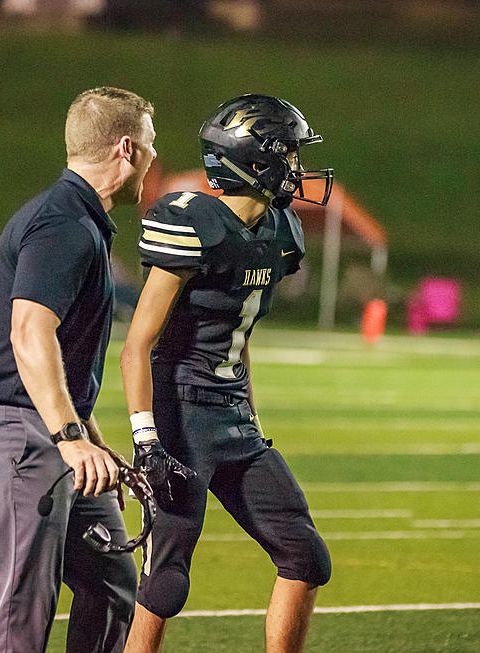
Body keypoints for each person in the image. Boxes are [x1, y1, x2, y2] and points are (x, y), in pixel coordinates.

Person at [0, 87, 157, 653]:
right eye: (152, 146)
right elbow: (29, 331)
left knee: (111, 581)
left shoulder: (76, 217)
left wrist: (83, 428)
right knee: (23, 609)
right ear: (126, 149)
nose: (156, 160)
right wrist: (68, 435)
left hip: (46, 426)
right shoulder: (64, 224)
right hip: (17, 430)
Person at [120, 95, 334, 653]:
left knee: (306, 556)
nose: (297, 166)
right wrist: (146, 437)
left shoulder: (279, 230)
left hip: (233, 416)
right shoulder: (190, 222)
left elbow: (240, 339)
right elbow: (138, 343)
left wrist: (250, 413)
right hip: (182, 415)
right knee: (166, 580)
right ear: (253, 161)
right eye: (287, 153)